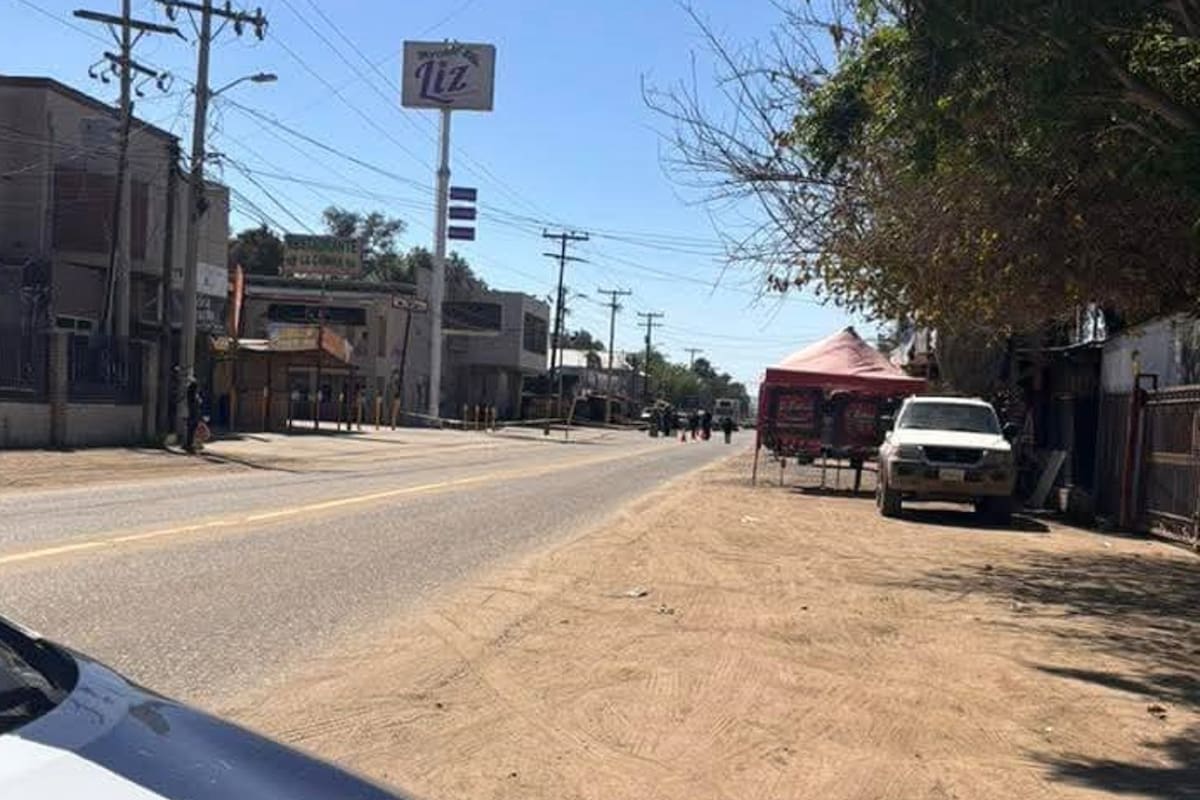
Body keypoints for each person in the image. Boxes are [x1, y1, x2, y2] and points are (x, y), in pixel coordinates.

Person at [184, 378, 201, 453]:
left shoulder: (191, 395)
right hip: (193, 415)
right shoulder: (193, 396)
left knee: (191, 431)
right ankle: (190, 445)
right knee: (192, 431)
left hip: (193, 414)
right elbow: (196, 405)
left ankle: (189, 444)